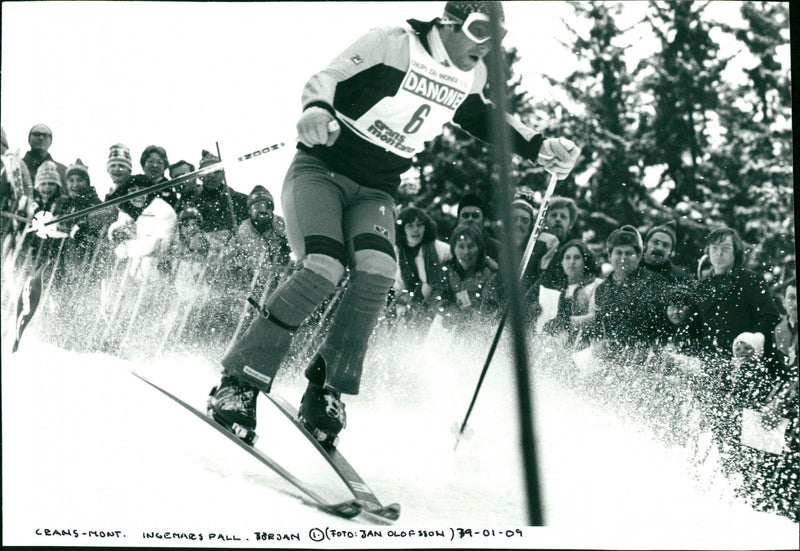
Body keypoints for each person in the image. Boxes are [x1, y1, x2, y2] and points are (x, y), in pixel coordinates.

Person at [207, 0, 580, 447]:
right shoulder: (393, 43)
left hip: (376, 190)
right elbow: (325, 78)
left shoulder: (472, 74)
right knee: (325, 267)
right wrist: (316, 110)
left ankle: (325, 391)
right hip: (320, 172)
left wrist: (539, 146)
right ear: (449, 22)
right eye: (480, 28)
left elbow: (483, 114)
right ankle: (239, 381)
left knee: (378, 272)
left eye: (497, 35)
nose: (488, 44)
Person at [527, 239, 603, 347]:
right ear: (561, 262)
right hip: (560, 349)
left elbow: (597, 318)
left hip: (587, 349)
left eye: (577, 257)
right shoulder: (556, 290)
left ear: (585, 261)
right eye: (567, 258)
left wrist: (567, 322)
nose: (571, 262)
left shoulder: (596, 284)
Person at [106, 174, 177, 282]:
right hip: (131, 274)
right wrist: (115, 233)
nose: (138, 195)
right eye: (132, 190)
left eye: (142, 190)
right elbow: (117, 231)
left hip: (156, 274)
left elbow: (159, 244)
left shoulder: (163, 210)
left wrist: (126, 246)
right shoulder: (127, 210)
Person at [432, 224, 501, 329]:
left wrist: (469, 316)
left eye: (471, 246)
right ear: (453, 249)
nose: (466, 252)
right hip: (448, 325)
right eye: (461, 246)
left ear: (479, 248)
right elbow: (436, 297)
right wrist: (450, 311)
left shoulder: (490, 273)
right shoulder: (446, 270)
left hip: (477, 329)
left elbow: (490, 307)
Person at [393, 206, 451, 324]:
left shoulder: (442, 250)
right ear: (402, 230)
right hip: (409, 315)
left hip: (440, 310)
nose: (416, 230)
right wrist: (403, 310)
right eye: (410, 226)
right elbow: (398, 290)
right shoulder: (396, 254)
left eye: (420, 225)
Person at [186, 150, 248, 235]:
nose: (211, 176)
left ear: (223, 174)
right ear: (200, 176)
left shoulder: (242, 200)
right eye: (207, 171)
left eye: (216, 171)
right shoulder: (193, 204)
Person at [456, 193, 501, 265]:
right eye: (465, 215)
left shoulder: (499, 250)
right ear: (458, 220)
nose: (470, 219)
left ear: (483, 221)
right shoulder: (449, 249)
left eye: (475, 216)